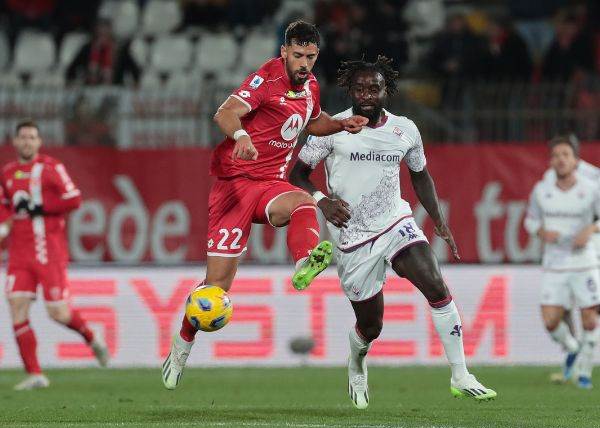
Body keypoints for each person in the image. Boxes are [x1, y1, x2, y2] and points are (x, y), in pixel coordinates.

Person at [161, 21, 368, 390]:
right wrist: (240, 135)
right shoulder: (265, 80)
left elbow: (314, 122)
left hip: (270, 185)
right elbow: (225, 113)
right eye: (298, 55)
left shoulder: (311, 87)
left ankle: (305, 262)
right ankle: (181, 346)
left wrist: (341, 124)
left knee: (305, 202)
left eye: (311, 56)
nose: (304, 63)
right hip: (234, 188)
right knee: (215, 290)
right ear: (285, 52)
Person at [289, 56, 497, 408]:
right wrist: (322, 201)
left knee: (435, 284)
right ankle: (356, 360)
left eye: (374, 88)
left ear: (387, 91)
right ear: (349, 91)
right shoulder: (331, 129)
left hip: (395, 224)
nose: (367, 94)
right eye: (359, 88)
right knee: (371, 326)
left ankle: (461, 375)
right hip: (352, 238)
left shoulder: (406, 129)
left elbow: (420, 176)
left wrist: (440, 222)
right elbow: (296, 175)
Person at [1, 120, 109, 390]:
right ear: (15, 142)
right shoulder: (8, 172)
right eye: (22, 137)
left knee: (58, 313)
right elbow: (4, 205)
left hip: (49, 250)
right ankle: (35, 373)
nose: (27, 142)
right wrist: (4, 225)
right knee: (17, 307)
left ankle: (91, 336)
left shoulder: (51, 168)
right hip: (19, 254)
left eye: (32, 137)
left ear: (39, 142)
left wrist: (41, 206)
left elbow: (74, 198)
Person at [525, 135, 600, 389]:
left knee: (590, 318)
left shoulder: (591, 190)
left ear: (576, 160)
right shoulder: (542, 190)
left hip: (585, 262)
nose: (561, 160)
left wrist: (590, 230)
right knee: (550, 321)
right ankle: (573, 347)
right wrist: (541, 233)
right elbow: (531, 221)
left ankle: (584, 373)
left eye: (566, 155)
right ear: (551, 161)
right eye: (556, 156)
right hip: (555, 263)